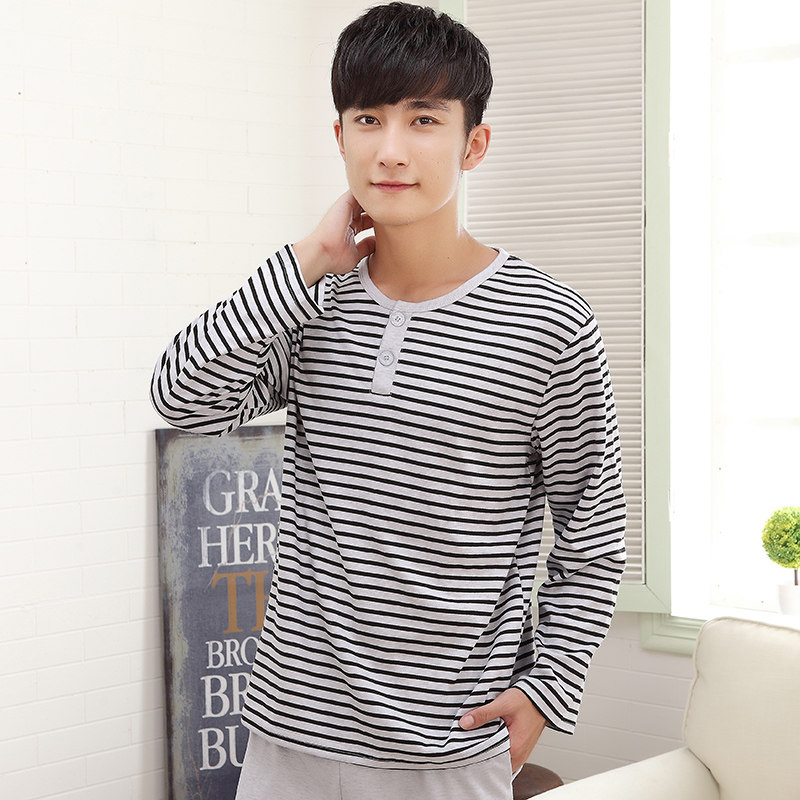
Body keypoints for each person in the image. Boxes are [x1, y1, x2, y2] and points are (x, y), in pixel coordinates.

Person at [150, 3, 626, 799]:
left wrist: (549, 688)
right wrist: (307, 259)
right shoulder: (311, 299)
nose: (391, 149)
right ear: (339, 137)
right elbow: (183, 398)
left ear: (474, 143)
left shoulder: (550, 323)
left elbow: (594, 535)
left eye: (424, 119)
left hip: (447, 749)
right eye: (368, 118)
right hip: (285, 740)